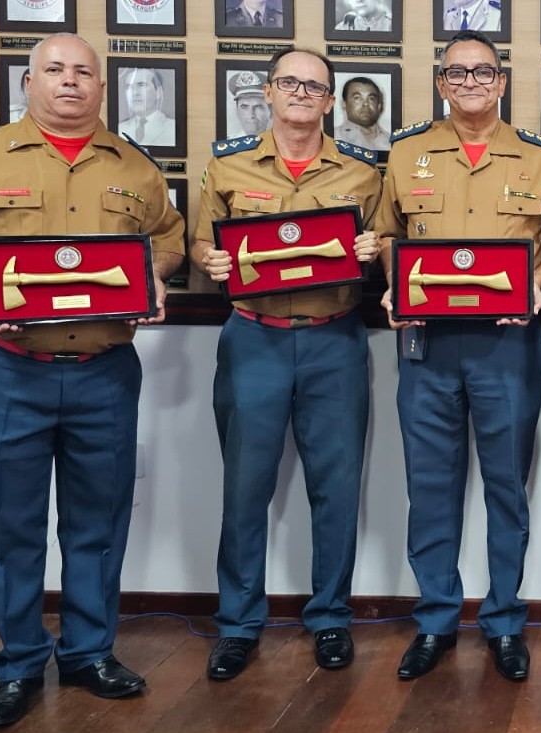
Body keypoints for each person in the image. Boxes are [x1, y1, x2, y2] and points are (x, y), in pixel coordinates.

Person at [0, 32, 186, 730]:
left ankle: (89, 652)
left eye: (84, 72)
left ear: (101, 86)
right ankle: (21, 661)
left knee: (99, 523)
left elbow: (172, 238)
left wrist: (158, 272)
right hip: (8, 370)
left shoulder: (135, 166)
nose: (70, 82)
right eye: (55, 71)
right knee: (8, 523)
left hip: (103, 372)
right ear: (28, 82)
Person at [375, 31, 541, 684]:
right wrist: (394, 287)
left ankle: (506, 619)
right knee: (431, 487)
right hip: (426, 344)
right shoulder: (405, 154)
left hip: (507, 342)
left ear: (503, 82)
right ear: (441, 83)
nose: (472, 81)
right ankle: (434, 619)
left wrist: (531, 286)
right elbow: (386, 238)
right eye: (458, 72)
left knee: (507, 487)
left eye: (484, 71)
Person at [191, 47, 385, 682]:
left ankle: (330, 615)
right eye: (290, 83)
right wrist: (209, 260)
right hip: (255, 338)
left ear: (331, 102)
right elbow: (201, 239)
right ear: (268, 93)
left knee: (337, 488)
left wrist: (371, 248)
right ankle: (239, 623)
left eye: (315, 87)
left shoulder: (362, 173)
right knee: (246, 489)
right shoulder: (226, 167)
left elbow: (386, 246)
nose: (302, 94)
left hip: (334, 339)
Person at [117, 68, 176, 147]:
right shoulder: (120, 129)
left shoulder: (172, 129)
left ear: (158, 92)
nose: (134, 93)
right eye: (129, 87)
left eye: (141, 85)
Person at [335, 77, 390, 151]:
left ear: (379, 105)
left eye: (371, 98)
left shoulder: (391, 140)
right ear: (344, 104)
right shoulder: (335, 137)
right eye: (357, 98)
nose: (366, 104)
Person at [230, 71, 272, 136]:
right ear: (237, 111)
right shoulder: (229, 144)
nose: (251, 115)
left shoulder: (283, 143)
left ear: (270, 111)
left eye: (258, 106)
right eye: (244, 107)